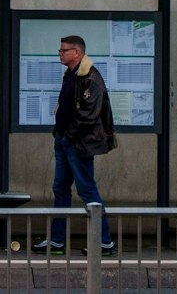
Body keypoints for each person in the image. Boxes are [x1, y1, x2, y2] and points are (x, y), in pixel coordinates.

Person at [33, 35, 117, 255]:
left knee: (87, 189)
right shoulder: (71, 74)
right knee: (60, 189)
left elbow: (88, 115)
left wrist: (68, 136)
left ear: (77, 53)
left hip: (78, 143)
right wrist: (60, 134)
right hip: (64, 140)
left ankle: (104, 241)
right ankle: (57, 240)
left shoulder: (90, 77)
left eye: (63, 51)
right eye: (60, 51)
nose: (60, 54)